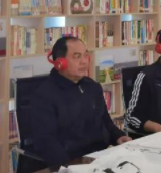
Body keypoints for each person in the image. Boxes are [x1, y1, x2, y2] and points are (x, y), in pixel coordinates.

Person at [31, 37, 131, 169]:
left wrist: (118, 136)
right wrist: (69, 168)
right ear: (60, 63)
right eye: (77, 56)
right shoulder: (44, 96)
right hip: (73, 163)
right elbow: (46, 142)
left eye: (85, 55)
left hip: (102, 158)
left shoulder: (92, 86)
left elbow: (105, 121)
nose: (84, 61)